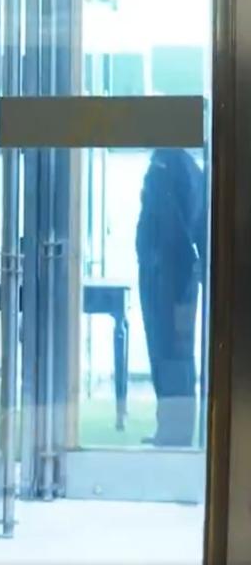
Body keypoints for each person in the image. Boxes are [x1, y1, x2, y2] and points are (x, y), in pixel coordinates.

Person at [135, 148, 205, 447]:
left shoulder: (173, 164)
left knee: (173, 353)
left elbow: (176, 227)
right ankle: (170, 429)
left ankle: (175, 434)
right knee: (166, 352)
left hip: (170, 277)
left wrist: (159, 264)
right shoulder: (175, 163)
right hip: (165, 275)